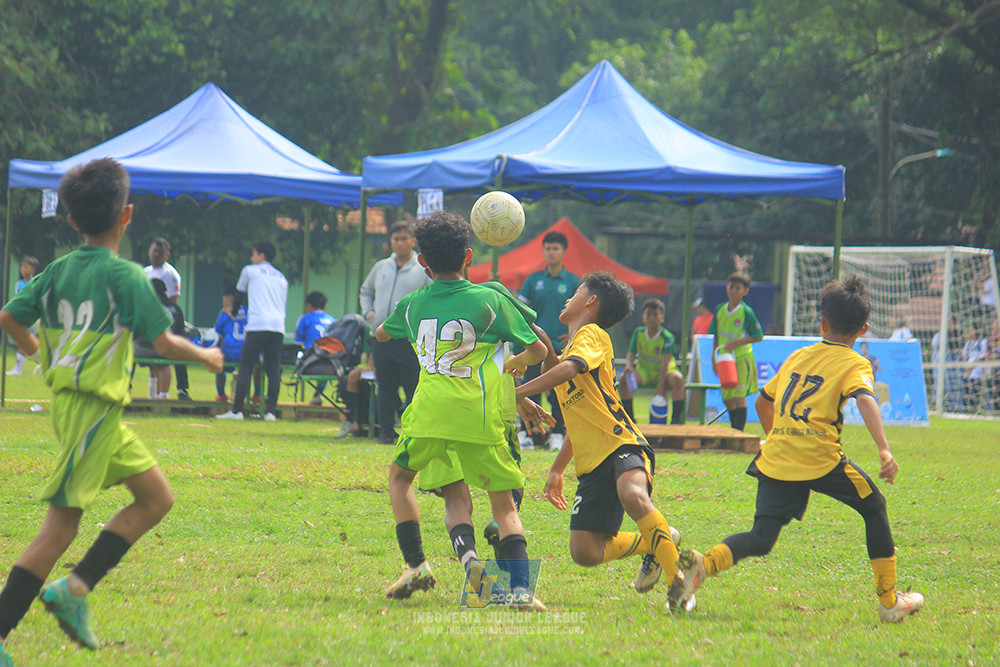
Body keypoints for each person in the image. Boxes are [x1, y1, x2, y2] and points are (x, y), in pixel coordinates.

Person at [0, 158, 222, 666]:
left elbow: (10, 317)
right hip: (90, 413)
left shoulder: (57, 269)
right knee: (59, 530)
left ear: (72, 219)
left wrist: (40, 352)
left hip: (94, 411)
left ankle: (74, 589)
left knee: (156, 497)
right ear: (127, 214)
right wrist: (207, 355)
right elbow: (163, 343)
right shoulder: (124, 275)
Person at [672, 277, 924, 623]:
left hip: (776, 456)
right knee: (875, 507)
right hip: (819, 458)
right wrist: (883, 449)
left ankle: (704, 565)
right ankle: (889, 601)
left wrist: (778, 436)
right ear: (863, 329)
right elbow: (866, 399)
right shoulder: (855, 363)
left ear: (822, 323)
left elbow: (763, 401)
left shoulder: (798, 356)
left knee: (761, 539)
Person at [377, 211, 548, 607]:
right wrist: (516, 363)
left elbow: (381, 333)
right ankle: (520, 591)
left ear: (423, 262)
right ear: (469, 256)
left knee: (400, 480)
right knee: (503, 505)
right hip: (478, 416)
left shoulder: (412, 302)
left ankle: (416, 564)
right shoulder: (490, 298)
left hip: (429, 415)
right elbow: (538, 348)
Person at [515, 271, 688, 610]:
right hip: (592, 462)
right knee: (584, 552)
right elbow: (578, 416)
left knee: (632, 495)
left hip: (623, 442)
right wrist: (557, 468)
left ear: (591, 300)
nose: (568, 297)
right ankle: (657, 540)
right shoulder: (569, 352)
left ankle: (678, 585)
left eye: (576, 291)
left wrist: (513, 392)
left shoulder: (592, 335)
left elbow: (565, 370)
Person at [359, 220, 431, 444]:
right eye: (395, 239)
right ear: (390, 241)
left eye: (404, 239)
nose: (400, 243)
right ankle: (385, 433)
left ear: (413, 241)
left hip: (409, 339)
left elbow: (432, 295)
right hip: (380, 336)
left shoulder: (422, 269)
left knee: (413, 386)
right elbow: (365, 291)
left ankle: (412, 433)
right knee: (385, 386)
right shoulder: (381, 266)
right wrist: (369, 314)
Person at [517, 230, 579, 451]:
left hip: (562, 347)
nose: (551, 253)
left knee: (558, 393)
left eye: (555, 249)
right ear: (543, 252)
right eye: (548, 249)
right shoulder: (533, 281)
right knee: (530, 388)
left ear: (563, 252)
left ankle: (557, 434)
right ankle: (528, 435)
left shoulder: (573, 281)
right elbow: (520, 309)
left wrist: (572, 334)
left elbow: (583, 311)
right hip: (536, 347)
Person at [216, 242, 288, 422]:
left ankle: (237, 411)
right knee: (273, 370)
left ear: (261, 255)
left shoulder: (250, 270)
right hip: (278, 327)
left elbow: (239, 295)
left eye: (253, 254)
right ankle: (271, 412)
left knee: (246, 366)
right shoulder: (281, 277)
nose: (251, 257)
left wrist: (233, 311)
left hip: (258, 324)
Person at [709, 273, 764, 431]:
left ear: (745, 291)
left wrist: (737, 343)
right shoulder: (720, 310)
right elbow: (716, 336)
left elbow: (758, 336)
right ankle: (734, 430)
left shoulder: (746, 312)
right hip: (725, 360)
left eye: (737, 288)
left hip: (741, 358)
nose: (733, 291)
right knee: (727, 397)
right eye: (731, 287)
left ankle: (739, 434)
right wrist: (714, 358)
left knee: (739, 396)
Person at [620, 298, 686, 425]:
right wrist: (629, 366)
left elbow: (665, 364)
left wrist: (660, 388)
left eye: (655, 315)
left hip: (665, 372)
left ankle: (676, 420)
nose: (651, 318)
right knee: (624, 379)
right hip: (644, 371)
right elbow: (631, 353)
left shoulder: (667, 337)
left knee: (678, 379)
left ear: (662, 317)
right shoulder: (638, 333)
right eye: (648, 314)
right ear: (643, 317)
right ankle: (630, 420)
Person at [143, 238, 189, 399]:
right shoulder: (145, 272)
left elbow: (172, 303)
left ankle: (182, 388)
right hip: (147, 319)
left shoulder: (170, 275)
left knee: (176, 349)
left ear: (166, 255)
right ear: (149, 252)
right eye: (154, 251)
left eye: (160, 253)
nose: (156, 255)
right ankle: (149, 392)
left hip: (166, 320)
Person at [212, 288, 259, 404]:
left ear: (230, 299)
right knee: (257, 366)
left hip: (230, 351)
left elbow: (217, 333)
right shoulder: (248, 312)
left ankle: (221, 394)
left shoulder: (224, 313)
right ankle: (257, 394)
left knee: (219, 364)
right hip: (247, 351)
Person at [295, 291, 336, 406]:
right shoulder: (333, 320)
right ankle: (318, 394)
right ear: (325, 306)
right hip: (329, 358)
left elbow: (298, 342)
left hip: (310, 357)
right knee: (325, 365)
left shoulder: (305, 318)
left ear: (309, 305)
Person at [6, 256, 40, 376]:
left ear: (33, 269)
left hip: (32, 318)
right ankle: (19, 368)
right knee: (24, 343)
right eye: (22, 266)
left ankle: (19, 369)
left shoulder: (35, 282)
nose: (23, 269)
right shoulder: (19, 284)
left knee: (28, 343)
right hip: (22, 318)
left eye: (26, 266)